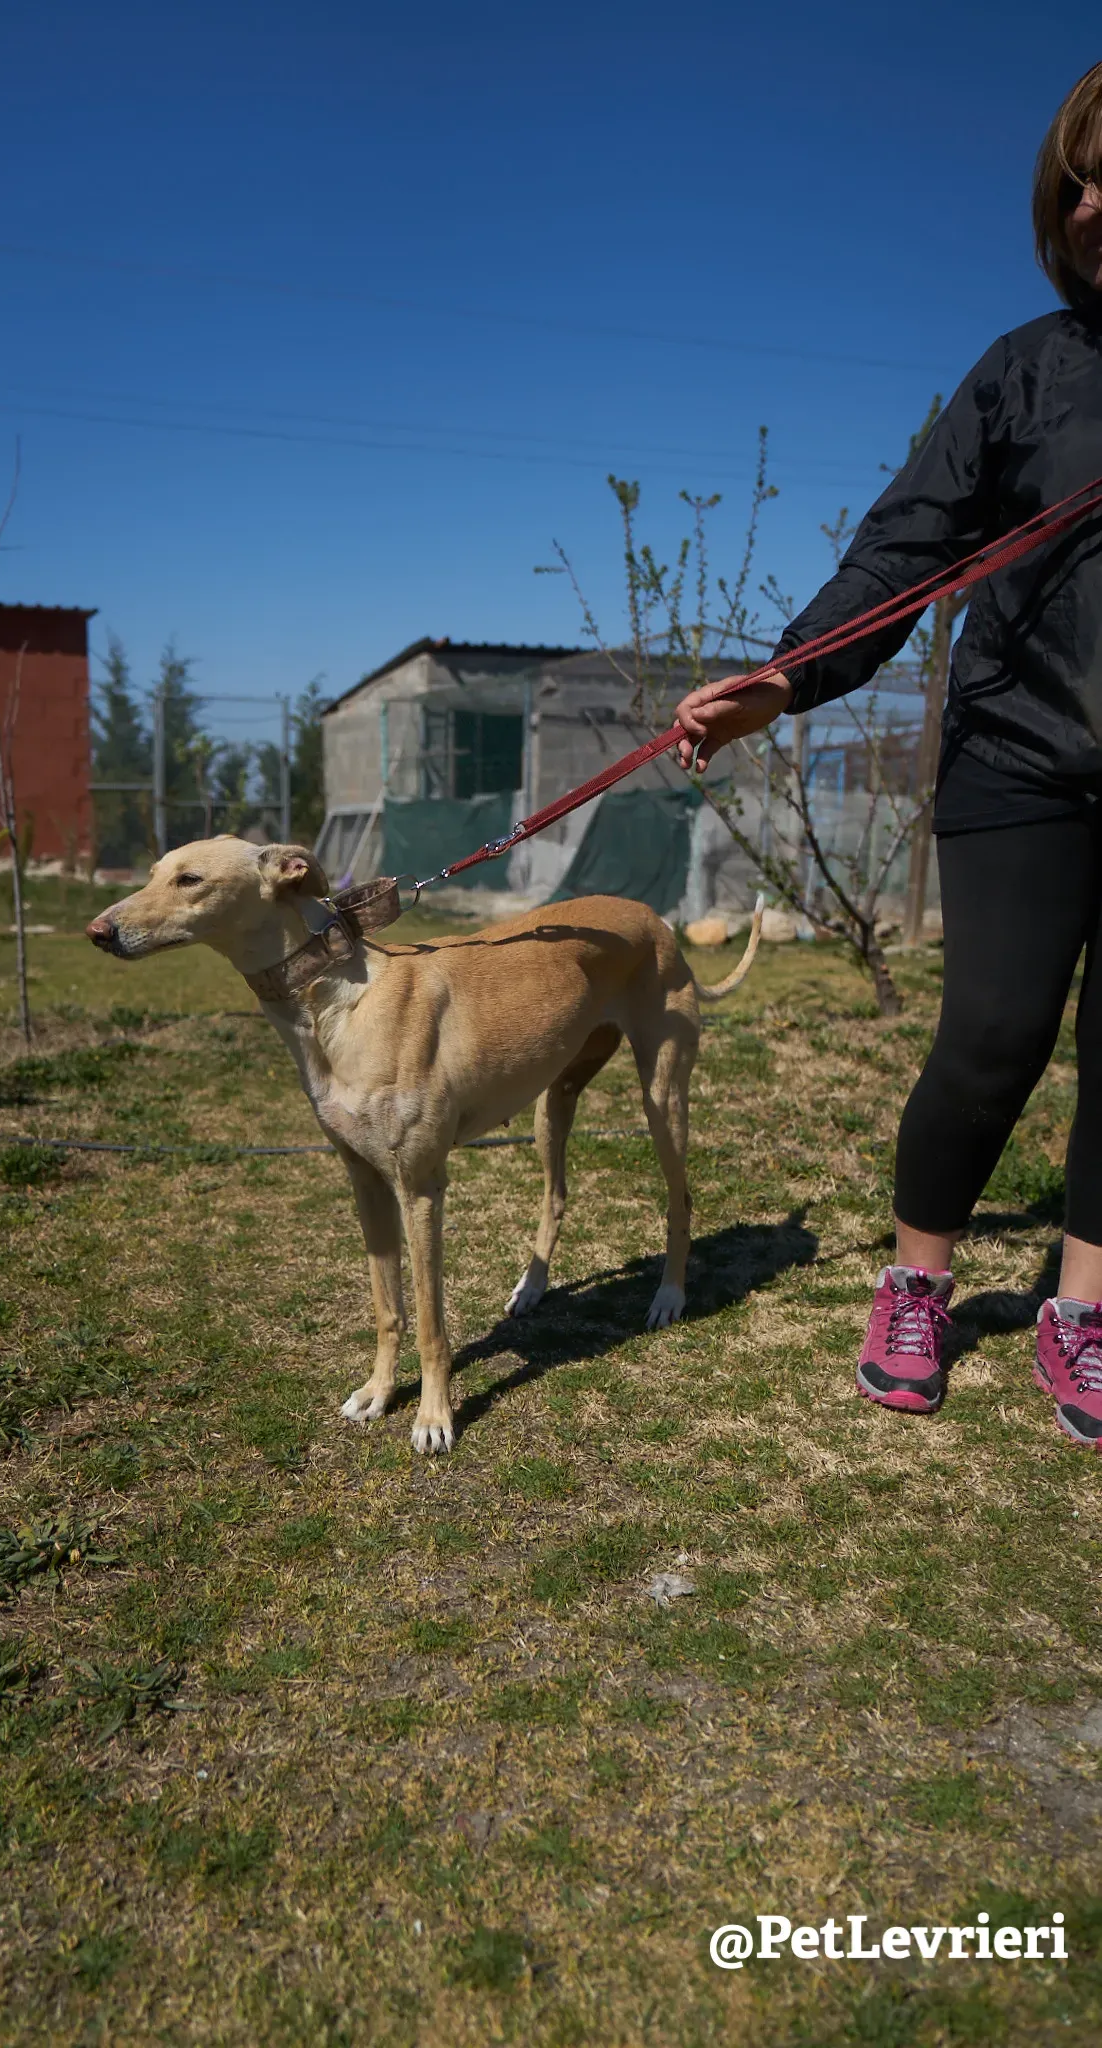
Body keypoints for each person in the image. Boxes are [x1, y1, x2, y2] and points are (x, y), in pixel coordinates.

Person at [673, 60, 1102, 1446]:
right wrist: (788, 678)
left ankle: (1080, 1308)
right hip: (1020, 756)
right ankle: (918, 1280)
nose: (1088, 203)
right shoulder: (1030, 370)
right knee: (990, 1036)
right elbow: (907, 544)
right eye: (1073, 180)